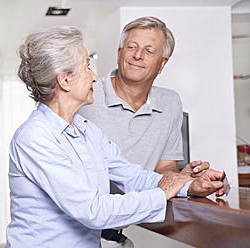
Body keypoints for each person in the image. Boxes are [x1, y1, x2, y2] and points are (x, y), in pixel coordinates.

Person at [5, 26, 226, 248]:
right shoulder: (34, 138)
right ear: (64, 81)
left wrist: (189, 186)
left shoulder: (87, 130)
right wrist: (161, 193)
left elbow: (133, 177)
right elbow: (93, 211)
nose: (94, 77)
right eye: (87, 68)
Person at [77, 16, 210, 246]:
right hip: (81, 228)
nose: (138, 56)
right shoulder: (84, 97)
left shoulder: (171, 103)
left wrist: (181, 178)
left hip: (124, 231)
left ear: (162, 64)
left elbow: (164, 167)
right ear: (119, 53)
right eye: (132, 47)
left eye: (149, 51)